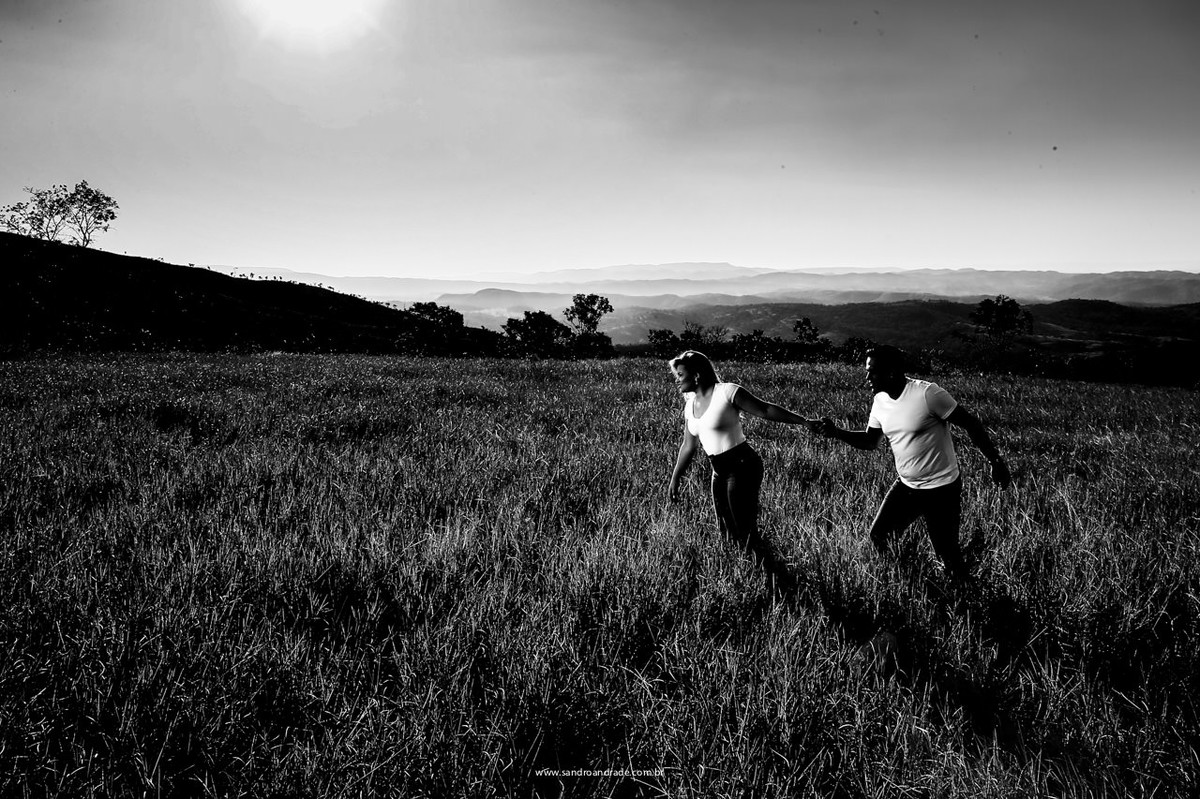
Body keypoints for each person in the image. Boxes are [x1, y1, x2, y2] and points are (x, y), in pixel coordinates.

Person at [817, 345, 1011, 581]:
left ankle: (966, 598)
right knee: (879, 536)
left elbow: (971, 423)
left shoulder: (928, 394)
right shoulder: (880, 401)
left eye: (873, 372)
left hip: (942, 489)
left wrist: (995, 461)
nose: (867, 378)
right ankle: (912, 582)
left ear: (891, 373)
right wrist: (836, 432)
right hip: (907, 486)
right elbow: (870, 441)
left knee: (947, 554)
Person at [667, 350, 819, 599]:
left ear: (696, 375)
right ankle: (746, 581)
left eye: (680, 375)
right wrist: (675, 478)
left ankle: (777, 585)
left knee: (744, 530)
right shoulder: (689, 405)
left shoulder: (727, 392)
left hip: (742, 466)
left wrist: (804, 422)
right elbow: (688, 445)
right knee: (725, 531)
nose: (677, 380)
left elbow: (766, 410)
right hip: (719, 471)